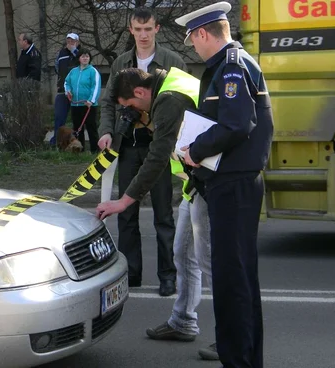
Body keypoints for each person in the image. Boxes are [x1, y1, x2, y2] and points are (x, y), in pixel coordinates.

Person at [176, 2, 274, 367]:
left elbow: (236, 125)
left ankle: (239, 360)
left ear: (203, 33)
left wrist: (194, 150)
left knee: (232, 281)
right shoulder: (235, 63)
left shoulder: (230, 67)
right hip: (235, 183)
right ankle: (247, 358)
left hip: (233, 185)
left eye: (193, 40)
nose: (194, 48)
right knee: (241, 279)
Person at [97, 7, 187, 296]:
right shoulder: (122, 62)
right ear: (131, 31)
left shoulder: (173, 61)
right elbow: (108, 102)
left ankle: (168, 276)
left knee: (163, 214)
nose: (144, 35)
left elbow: (184, 102)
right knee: (126, 213)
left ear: (157, 29)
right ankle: (130, 273)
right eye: (138, 29)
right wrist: (106, 131)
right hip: (128, 146)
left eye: (149, 29)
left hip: (159, 146)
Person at [63, 50, 101, 154]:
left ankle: (95, 150)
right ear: (79, 58)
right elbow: (67, 82)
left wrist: (91, 100)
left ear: (89, 59)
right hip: (75, 104)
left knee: (91, 127)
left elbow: (96, 86)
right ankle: (79, 149)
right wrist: (68, 91)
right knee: (77, 128)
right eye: (83, 56)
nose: (85, 58)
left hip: (88, 105)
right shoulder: (73, 71)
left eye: (87, 56)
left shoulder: (93, 71)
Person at [50, 33, 81, 145]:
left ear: (77, 43)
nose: (70, 44)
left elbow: (84, 65)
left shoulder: (80, 53)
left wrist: (74, 51)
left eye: (72, 42)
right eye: (68, 41)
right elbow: (57, 67)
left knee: (77, 119)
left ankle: (77, 143)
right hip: (62, 91)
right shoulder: (62, 53)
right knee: (59, 118)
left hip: (76, 92)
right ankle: (57, 142)